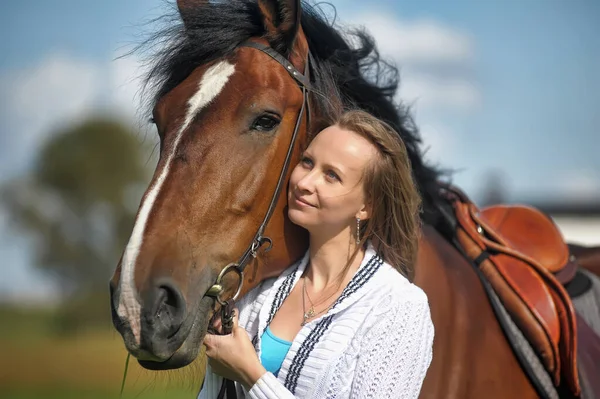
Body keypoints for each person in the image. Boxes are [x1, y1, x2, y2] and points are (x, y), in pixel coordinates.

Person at [199, 109, 434, 398]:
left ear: (366, 206)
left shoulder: (400, 307)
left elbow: (244, 372)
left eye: (331, 175)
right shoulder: (261, 284)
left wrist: (251, 374)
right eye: (307, 162)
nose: (305, 182)